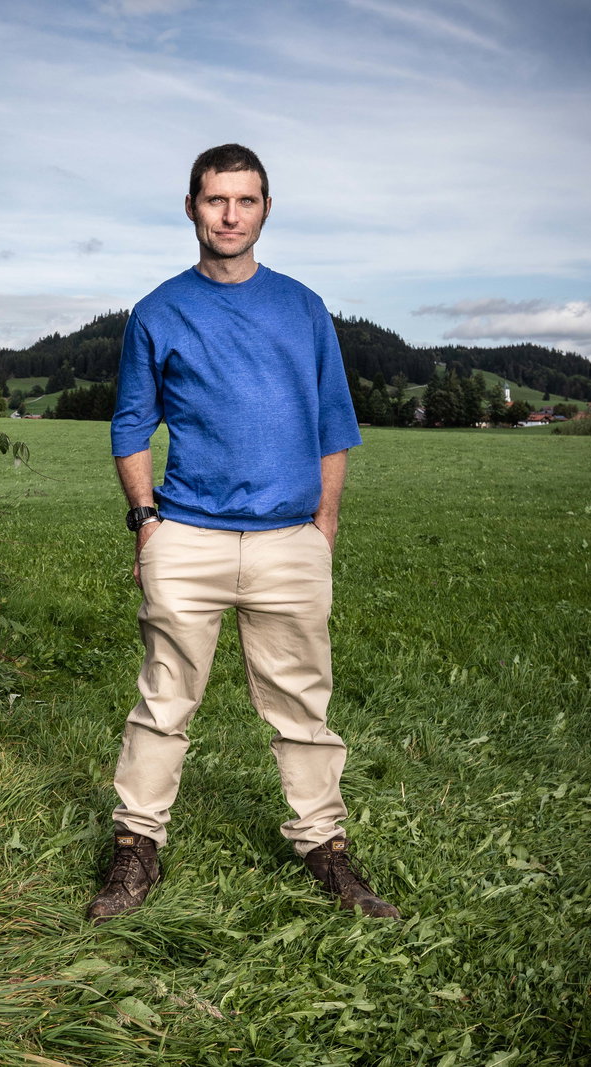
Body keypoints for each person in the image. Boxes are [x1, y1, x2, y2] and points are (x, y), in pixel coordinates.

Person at [89, 143, 398, 923]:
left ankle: (325, 848)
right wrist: (146, 523)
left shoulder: (302, 308)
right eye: (215, 200)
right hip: (185, 535)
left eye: (246, 200)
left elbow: (333, 424)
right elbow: (130, 426)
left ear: (265, 208)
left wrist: (324, 524)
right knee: (163, 702)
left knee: (303, 704)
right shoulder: (158, 311)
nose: (230, 215)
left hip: (289, 538)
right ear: (192, 207)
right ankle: (135, 849)